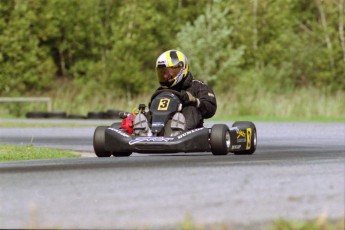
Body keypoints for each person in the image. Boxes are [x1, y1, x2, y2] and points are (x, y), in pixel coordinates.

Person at [133, 49, 217, 136]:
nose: (165, 76)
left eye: (169, 72)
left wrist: (194, 101)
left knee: (191, 108)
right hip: (161, 131)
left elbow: (211, 108)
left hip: (191, 132)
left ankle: (179, 132)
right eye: (163, 73)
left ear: (181, 69)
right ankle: (146, 133)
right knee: (147, 112)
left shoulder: (197, 86)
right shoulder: (159, 91)